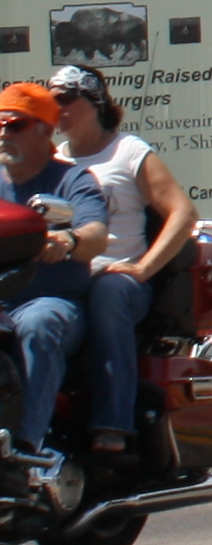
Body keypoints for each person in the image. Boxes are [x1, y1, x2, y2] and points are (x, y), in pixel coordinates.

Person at [48, 63, 184, 474]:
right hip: (66, 276)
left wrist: (142, 269)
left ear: (95, 102)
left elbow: (181, 213)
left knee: (109, 291)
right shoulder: (52, 159)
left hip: (120, 280)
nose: (58, 108)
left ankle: (113, 424)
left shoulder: (128, 151)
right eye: (51, 100)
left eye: (66, 99)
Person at [1, 81, 108, 469]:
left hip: (51, 302)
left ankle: (25, 450)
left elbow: (96, 235)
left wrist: (68, 237)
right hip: (2, 300)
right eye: (0, 124)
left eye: (16, 125)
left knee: (38, 323)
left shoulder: (72, 180)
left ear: (46, 129)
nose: (4, 133)